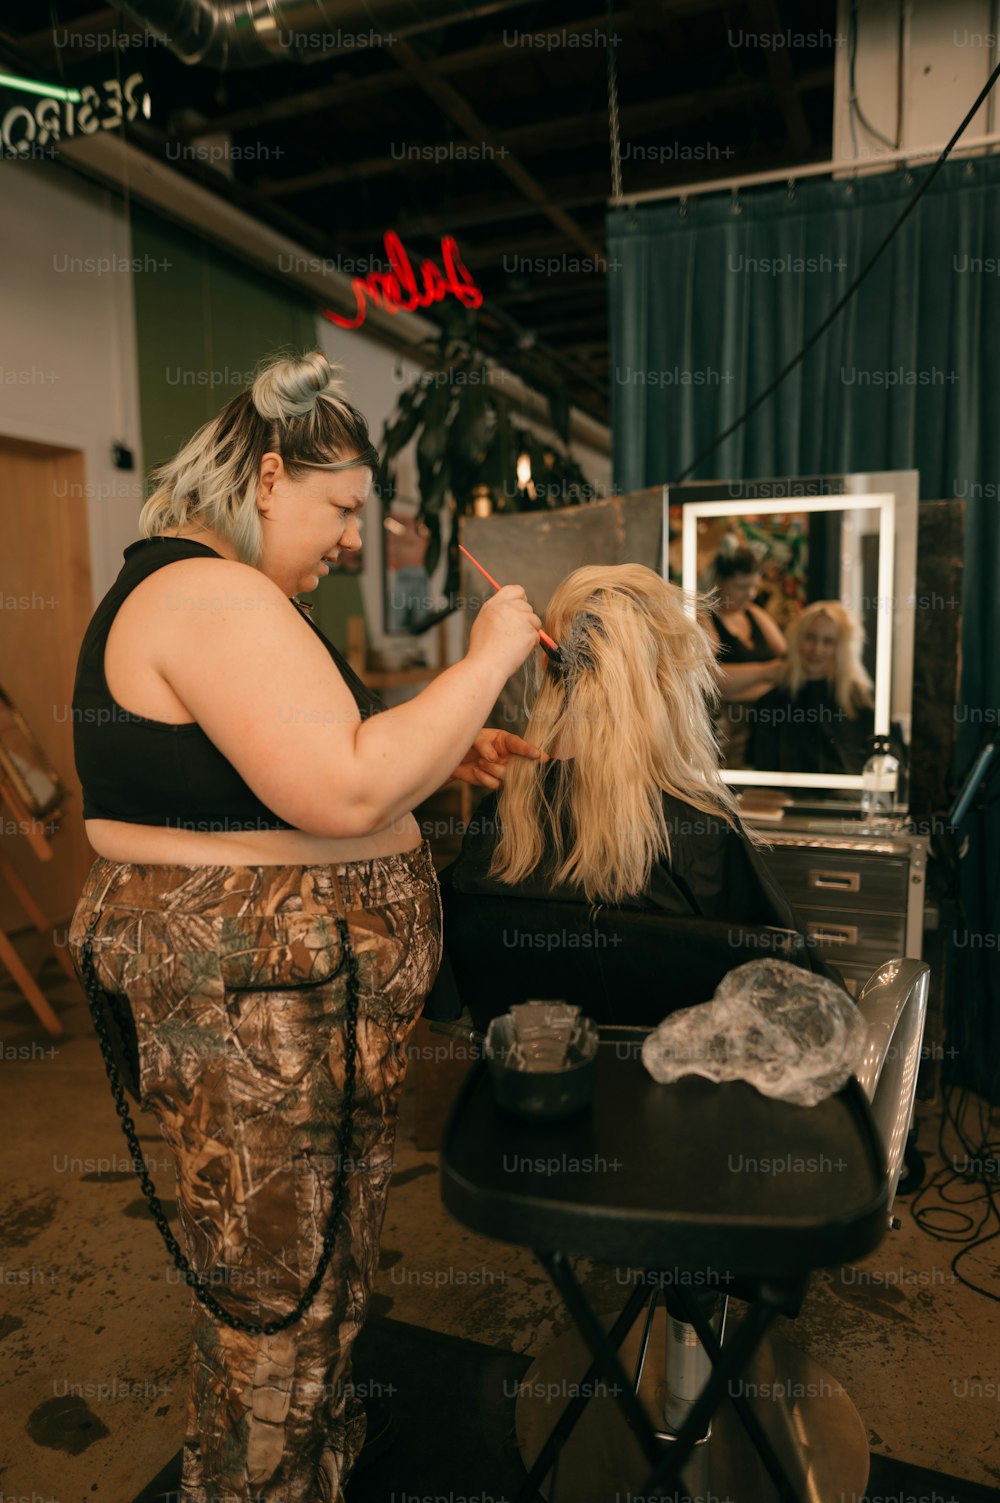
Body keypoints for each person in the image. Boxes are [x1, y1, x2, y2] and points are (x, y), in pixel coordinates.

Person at [66, 351, 544, 1502]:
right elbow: (338, 790)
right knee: (275, 1299)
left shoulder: (227, 596)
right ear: (268, 475)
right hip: (256, 1014)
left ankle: (307, 1471)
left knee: (319, 1276)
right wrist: (481, 668)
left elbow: (300, 779)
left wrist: (434, 751)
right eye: (338, 509)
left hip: (300, 1011)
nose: (348, 539)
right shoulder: (204, 591)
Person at [438, 564, 843, 1025]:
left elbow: (453, 990)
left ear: (546, 661)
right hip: (680, 1090)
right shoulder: (699, 832)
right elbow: (816, 1000)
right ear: (662, 675)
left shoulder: (499, 821)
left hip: (536, 1083)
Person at [748, 599, 879, 775]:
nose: (817, 650)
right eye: (810, 638)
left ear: (841, 648)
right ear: (797, 640)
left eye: (828, 641)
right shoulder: (771, 702)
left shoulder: (861, 700)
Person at [704, 547, 788, 765]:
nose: (750, 595)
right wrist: (767, 672)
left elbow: (788, 665)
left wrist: (743, 680)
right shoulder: (704, 619)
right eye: (741, 587)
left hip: (768, 724)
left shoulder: (756, 615)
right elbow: (711, 679)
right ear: (720, 582)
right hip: (728, 730)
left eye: (754, 587)